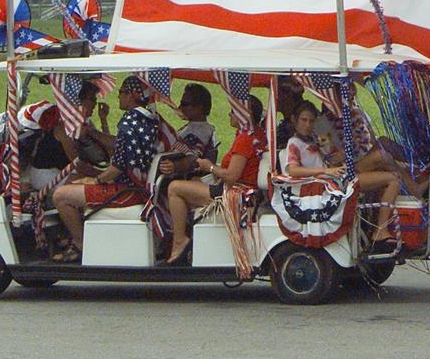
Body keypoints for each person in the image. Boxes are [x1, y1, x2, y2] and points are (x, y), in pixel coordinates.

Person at [51, 75, 161, 262]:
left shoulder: (129, 122)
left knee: (59, 196)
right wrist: (97, 129)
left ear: (133, 95)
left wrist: (97, 179)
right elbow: (117, 149)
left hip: (125, 190)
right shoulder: (147, 119)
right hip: (138, 186)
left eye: (122, 93)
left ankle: (79, 245)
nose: (118, 97)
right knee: (74, 184)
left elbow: (118, 166)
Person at [161, 94, 267, 265]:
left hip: (236, 193)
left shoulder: (245, 139)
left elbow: (232, 176)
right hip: (245, 189)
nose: (229, 114)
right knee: (194, 181)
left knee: (174, 187)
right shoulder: (257, 134)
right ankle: (191, 240)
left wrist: (208, 166)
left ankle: (180, 241)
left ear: (243, 114)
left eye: (233, 111)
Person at [286, 100, 400, 248]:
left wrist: (339, 156)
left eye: (311, 121)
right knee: (393, 179)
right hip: (332, 184)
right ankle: (380, 231)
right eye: (303, 120)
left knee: (386, 169)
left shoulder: (313, 141)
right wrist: (326, 171)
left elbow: (329, 157)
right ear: (294, 120)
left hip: (339, 175)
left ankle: (373, 225)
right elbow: (293, 170)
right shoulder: (294, 143)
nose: (307, 125)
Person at [157, 83, 219, 180]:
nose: (180, 107)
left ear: (200, 107)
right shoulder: (195, 127)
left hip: (181, 178)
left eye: (185, 104)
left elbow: (193, 159)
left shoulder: (201, 131)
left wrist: (174, 166)